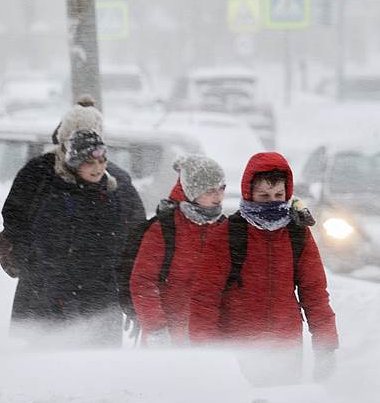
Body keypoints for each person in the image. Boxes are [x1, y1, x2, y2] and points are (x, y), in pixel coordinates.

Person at [0, 96, 145, 347]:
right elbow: (14, 222)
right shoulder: (39, 174)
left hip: (100, 290)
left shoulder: (115, 183)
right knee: (40, 363)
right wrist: (31, 264)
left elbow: (135, 235)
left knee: (98, 365)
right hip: (45, 289)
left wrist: (129, 288)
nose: (96, 166)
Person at [188, 152, 338, 384]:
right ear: (250, 194)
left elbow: (315, 293)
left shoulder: (297, 233)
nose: (273, 202)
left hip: (286, 346)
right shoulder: (229, 234)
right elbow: (205, 297)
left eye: (279, 195)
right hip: (237, 349)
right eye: (264, 196)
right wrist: (205, 351)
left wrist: (326, 346)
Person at [129, 155, 227, 347]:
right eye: (210, 191)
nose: (218, 196)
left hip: (211, 338)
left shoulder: (225, 229)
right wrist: (157, 329)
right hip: (168, 337)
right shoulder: (164, 229)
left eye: (221, 189)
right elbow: (142, 282)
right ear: (192, 192)